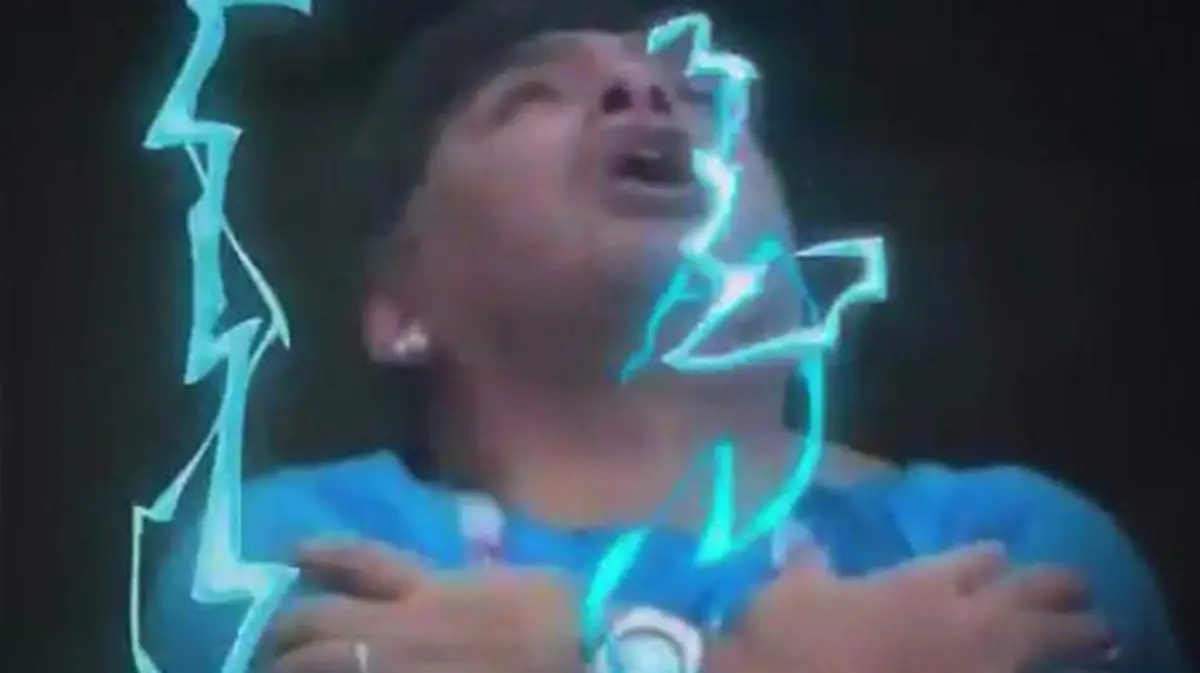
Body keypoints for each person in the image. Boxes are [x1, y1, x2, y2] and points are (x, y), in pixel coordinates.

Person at [147, 1, 1186, 672]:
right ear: (399, 306)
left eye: (701, 96)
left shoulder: (1016, 539)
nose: (645, 91)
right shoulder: (290, 547)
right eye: (529, 96)